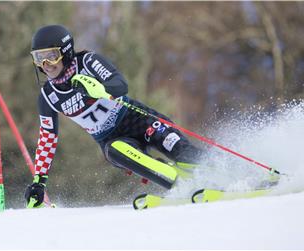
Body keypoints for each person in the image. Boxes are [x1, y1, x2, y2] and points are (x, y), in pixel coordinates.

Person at [24, 24, 205, 208]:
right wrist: (39, 182)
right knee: (115, 150)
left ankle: (221, 173)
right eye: (39, 58)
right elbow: (47, 138)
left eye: (52, 56)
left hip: (136, 119)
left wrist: (99, 89)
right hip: (111, 140)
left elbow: (120, 85)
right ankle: (180, 184)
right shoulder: (48, 96)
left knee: (180, 150)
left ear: (66, 52)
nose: (46, 65)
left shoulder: (88, 62)